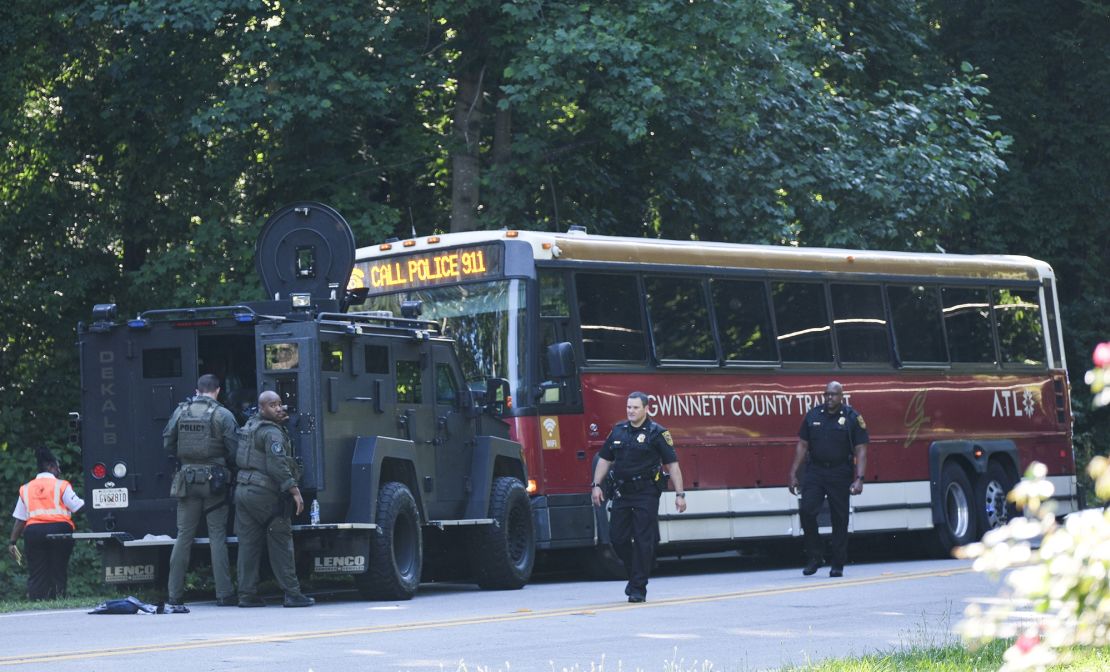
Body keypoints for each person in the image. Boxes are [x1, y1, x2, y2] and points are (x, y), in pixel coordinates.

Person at [590, 391, 686, 603]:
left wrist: (680, 494)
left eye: (635, 407)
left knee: (643, 540)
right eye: (628, 407)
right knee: (617, 538)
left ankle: (638, 588)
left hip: (646, 493)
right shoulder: (618, 431)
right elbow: (605, 459)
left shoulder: (657, 433)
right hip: (622, 493)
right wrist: (596, 485)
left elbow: (672, 464)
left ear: (646, 409)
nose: (631, 411)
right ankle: (635, 574)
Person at [163, 374, 239, 612]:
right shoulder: (223, 415)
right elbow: (235, 450)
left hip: (186, 480)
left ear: (197, 390)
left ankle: (174, 595)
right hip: (214, 481)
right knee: (217, 536)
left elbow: (167, 443)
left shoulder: (181, 412)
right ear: (217, 390)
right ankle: (224, 594)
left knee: (183, 536)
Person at [234, 390, 314, 608]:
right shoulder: (271, 433)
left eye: (280, 404)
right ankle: (292, 593)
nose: (279, 408)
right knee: (281, 541)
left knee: (248, 545)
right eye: (272, 405)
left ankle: (246, 595)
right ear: (262, 408)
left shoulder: (249, 426)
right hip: (264, 494)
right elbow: (277, 465)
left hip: (243, 491)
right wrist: (294, 491)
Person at [788, 380, 869, 578]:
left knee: (839, 518)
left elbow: (861, 449)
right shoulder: (814, 415)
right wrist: (793, 473)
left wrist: (859, 478)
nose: (829, 398)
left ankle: (838, 563)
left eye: (833, 394)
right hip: (815, 471)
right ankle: (815, 556)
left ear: (842, 396)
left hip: (840, 471)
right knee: (806, 510)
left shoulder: (852, 418)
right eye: (826, 394)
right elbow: (802, 445)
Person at [8, 448, 85, 600]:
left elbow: (20, 519)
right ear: (50, 467)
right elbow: (78, 507)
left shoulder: (26, 488)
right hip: (60, 530)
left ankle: (37, 600)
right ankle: (59, 597)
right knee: (58, 567)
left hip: (34, 532)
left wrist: (12, 542)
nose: (60, 470)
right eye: (58, 467)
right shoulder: (62, 485)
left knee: (37, 570)